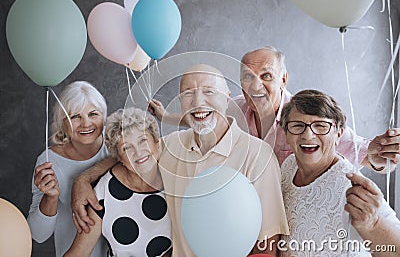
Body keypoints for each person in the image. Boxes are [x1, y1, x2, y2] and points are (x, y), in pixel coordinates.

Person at [71, 64, 289, 256]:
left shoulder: (258, 156)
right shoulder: (171, 146)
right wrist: (83, 179)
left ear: (227, 97)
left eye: (209, 91)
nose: (198, 102)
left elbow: (267, 245)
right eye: (187, 93)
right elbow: (132, 154)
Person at [148, 46, 400, 170]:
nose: (255, 85)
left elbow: (358, 150)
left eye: (266, 75)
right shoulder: (235, 107)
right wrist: (165, 116)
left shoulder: (308, 115)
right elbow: (202, 116)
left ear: (283, 80)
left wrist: (379, 155)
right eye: (247, 76)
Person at [278, 89, 400, 256]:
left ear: (338, 134)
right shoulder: (288, 165)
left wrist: (374, 224)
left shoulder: (354, 187)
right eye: (298, 126)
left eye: (320, 126)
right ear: (286, 133)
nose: (307, 135)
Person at [64, 108, 172, 257]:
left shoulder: (175, 177)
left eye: (143, 141)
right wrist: (82, 179)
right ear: (118, 157)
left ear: (156, 143)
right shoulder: (104, 191)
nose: (139, 153)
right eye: (127, 148)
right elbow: (79, 252)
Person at [27, 81, 108, 257]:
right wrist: (51, 197)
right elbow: (38, 235)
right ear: (62, 123)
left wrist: (83, 178)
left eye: (93, 114)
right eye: (75, 117)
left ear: (104, 116)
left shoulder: (118, 148)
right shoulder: (48, 161)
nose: (86, 124)